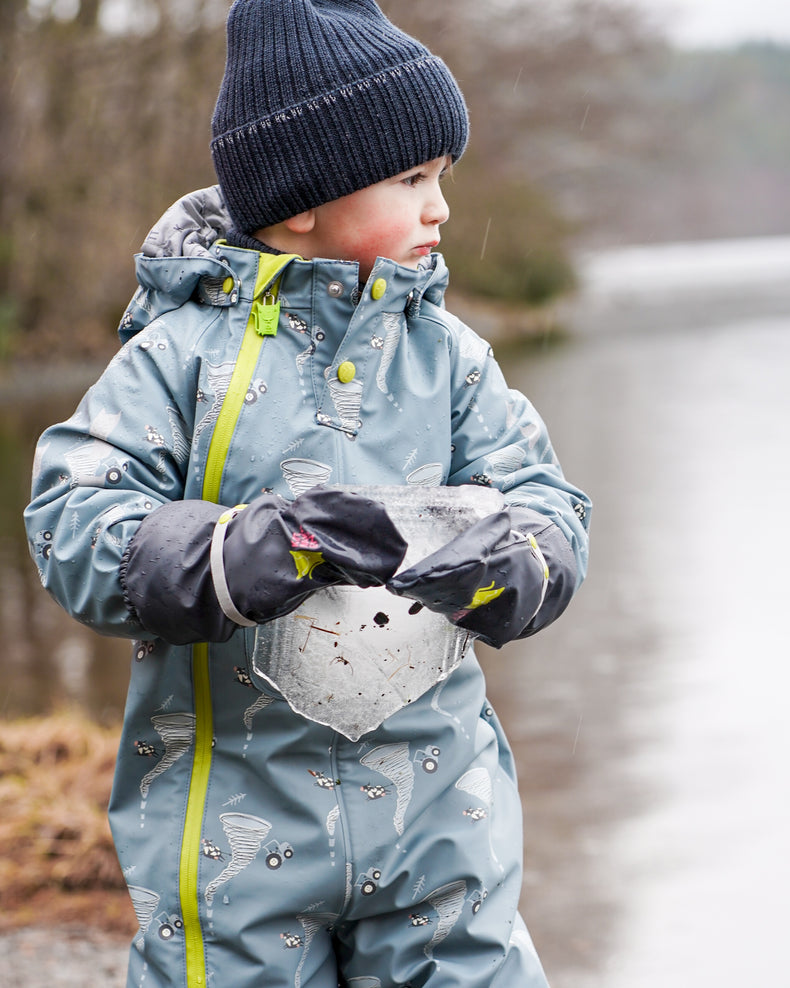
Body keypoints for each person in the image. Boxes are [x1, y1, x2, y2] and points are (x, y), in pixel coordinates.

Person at [24, 1, 591, 985]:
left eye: (442, 179)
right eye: (411, 179)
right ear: (302, 203)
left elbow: (547, 506)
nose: (439, 208)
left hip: (439, 821)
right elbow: (71, 517)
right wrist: (234, 552)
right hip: (234, 830)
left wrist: (513, 558)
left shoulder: (450, 361)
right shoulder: (178, 359)